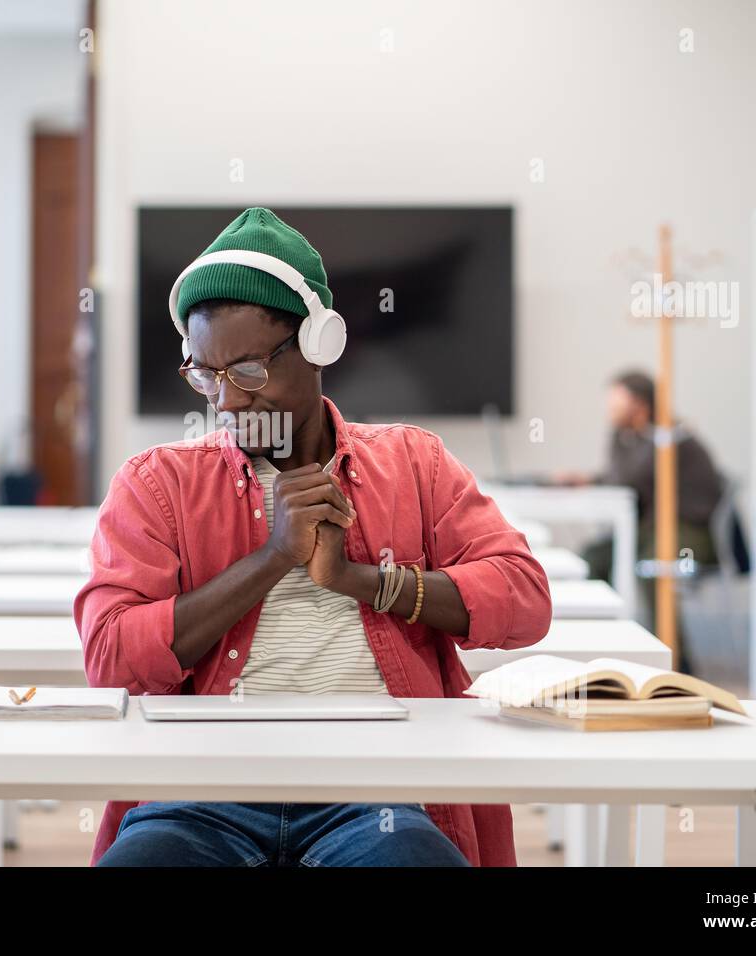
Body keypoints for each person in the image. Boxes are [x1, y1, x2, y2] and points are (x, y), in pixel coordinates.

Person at [74, 207, 552, 867]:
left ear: (318, 345)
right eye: (204, 375)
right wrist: (272, 560)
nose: (226, 401)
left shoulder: (415, 464)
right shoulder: (158, 484)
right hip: (200, 791)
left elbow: (525, 600)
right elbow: (110, 655)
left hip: (377, 793)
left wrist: (365, 582)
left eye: (245, 372)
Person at [556, 370, 725, 672]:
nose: (609, 409)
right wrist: (592, 475)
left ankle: (677, 664)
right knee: (593, 559)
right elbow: (621, 480)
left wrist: (611, 457)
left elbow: (632, 479)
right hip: (649, 528)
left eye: (616, 401)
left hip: (688, 528)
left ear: (639, 404)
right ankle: (600, 651)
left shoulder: (669, 437)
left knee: (653, 567)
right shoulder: (629, 437)